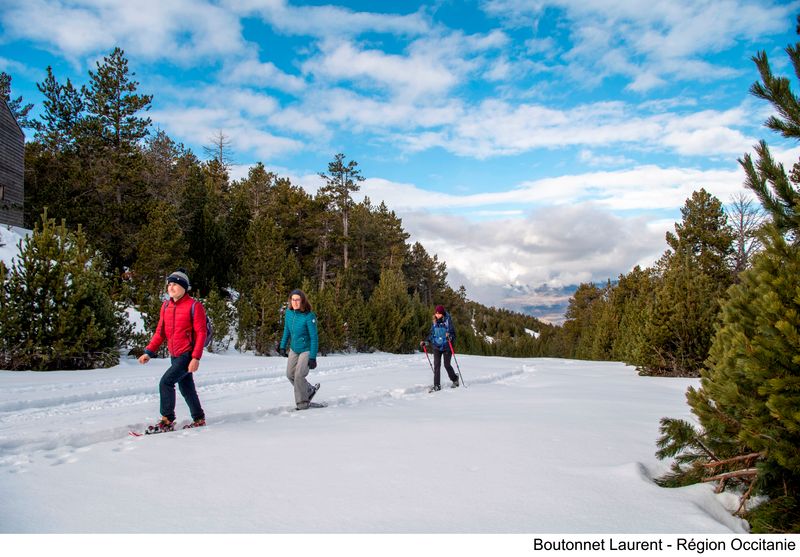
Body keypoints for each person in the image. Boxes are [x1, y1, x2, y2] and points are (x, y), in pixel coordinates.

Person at [138, 269, 207, 432]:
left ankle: (167, 420)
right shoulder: (166, 306)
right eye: (169, 284)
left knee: (166, 382)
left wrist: (195, 357)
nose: (171, 287)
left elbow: (201, 332)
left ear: (184, 287)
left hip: (187, 354)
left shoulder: (194, 306)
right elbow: (160, 332)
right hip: (174, 355)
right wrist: (149, 352)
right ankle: (199, 418)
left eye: (175, 284)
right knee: (186, 387)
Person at [279, 289, 320, 410]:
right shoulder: (289, 313)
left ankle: (302, 404)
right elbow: (286, 330)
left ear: (302, 301)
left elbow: (314, 338)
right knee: (289, 374)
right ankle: (309, 389)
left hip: (306, 349)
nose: (295, 302)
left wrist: (312, 357)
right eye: (293, 300)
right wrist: (282, 346)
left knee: (298, 376)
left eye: (297, 300)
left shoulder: (309, 316)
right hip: (294, 349)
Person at [422, 305, 459, 392]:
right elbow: (432, 335)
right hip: (436, 347)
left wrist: (449, 337)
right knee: (437, 366)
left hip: (446, 347)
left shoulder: (447, 321)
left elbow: (453, 334)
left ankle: (455, 379)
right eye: (436, 313)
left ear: (443, 314)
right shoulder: (434, 322)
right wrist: (426, 342)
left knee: (446, 365)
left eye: (439, 314)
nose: (437, 315)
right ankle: (437, 385)